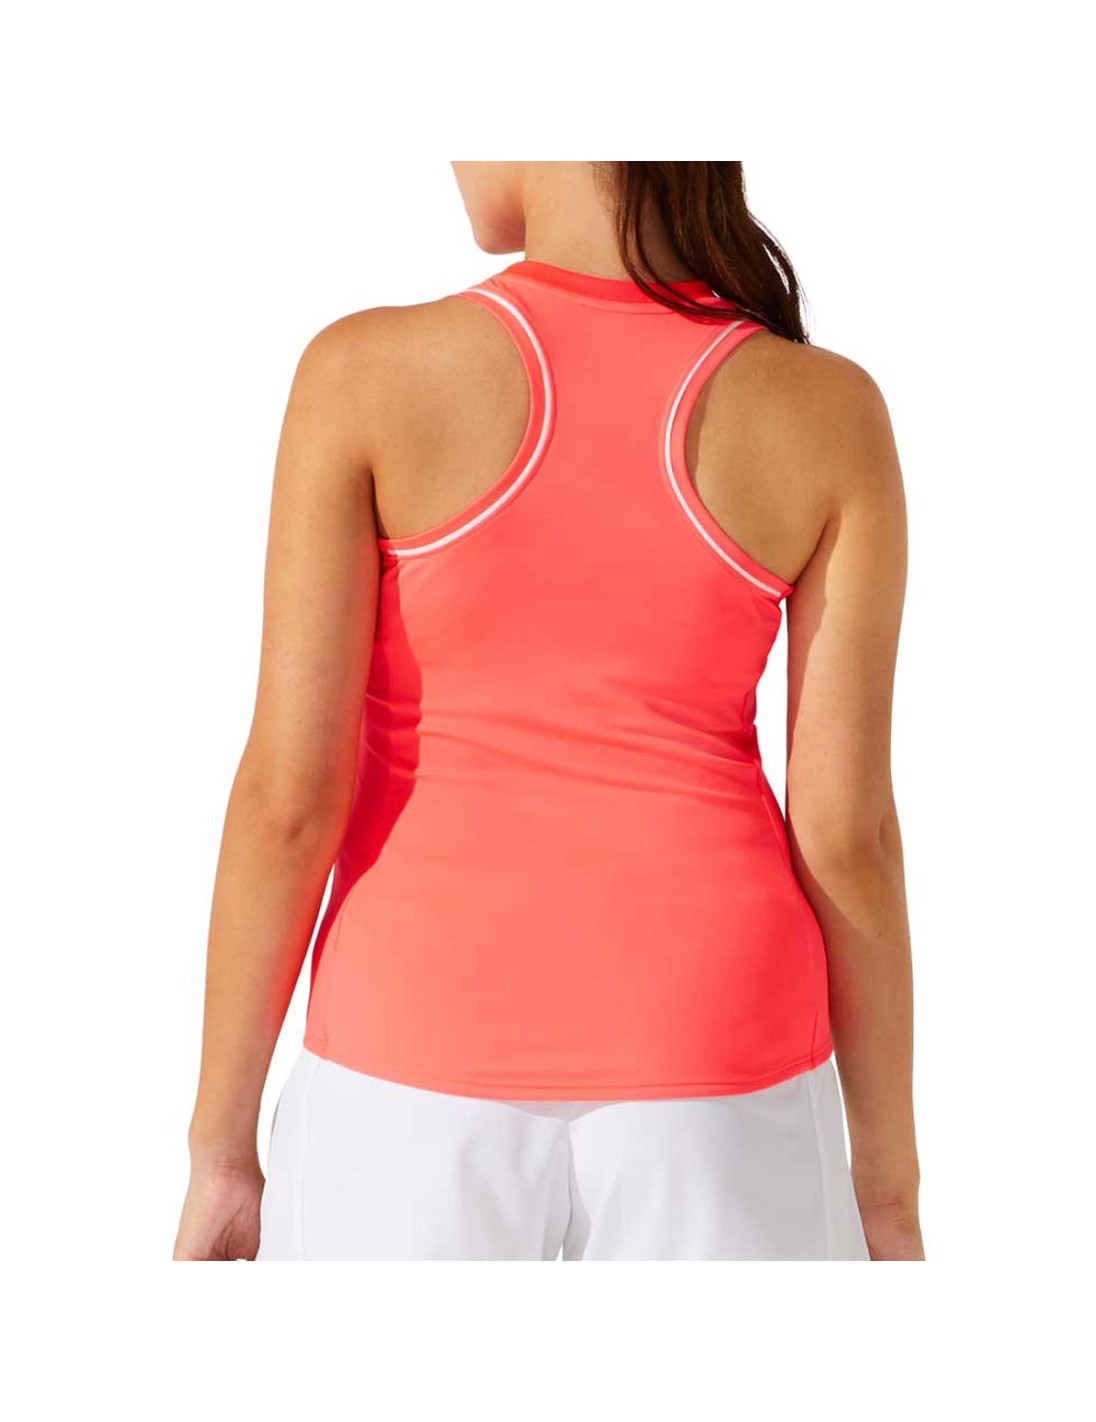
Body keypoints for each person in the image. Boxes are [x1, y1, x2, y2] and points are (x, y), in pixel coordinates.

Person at [174, 162, 922, 1262]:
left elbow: (288, 800)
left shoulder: (364, 375)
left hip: (405, 1069)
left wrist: (220, 1151)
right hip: (718, 1056)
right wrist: (887, 1188)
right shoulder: (826, 410)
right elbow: (845, 835)